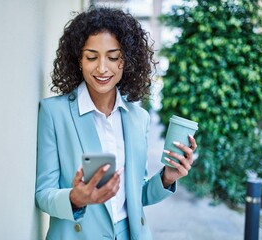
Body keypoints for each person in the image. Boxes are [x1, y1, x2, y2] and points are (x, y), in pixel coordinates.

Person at [35, 7, 197, 240]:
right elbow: (43, 194)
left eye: (113, 57)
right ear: (78, 59)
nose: (102, 68)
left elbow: (136, 194)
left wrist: (167, 177)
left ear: (127, 60)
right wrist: (76, 198)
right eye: (91, 57)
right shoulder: (54, 113)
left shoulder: (138, 118)